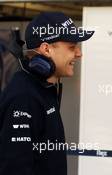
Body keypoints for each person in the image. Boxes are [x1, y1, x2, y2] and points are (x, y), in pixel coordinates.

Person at [0, 12, 94, 175]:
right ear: (46, 49)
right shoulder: (24, 96)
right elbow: (15, 168)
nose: (79, 54)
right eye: (72, 47)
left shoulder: (43, 88)